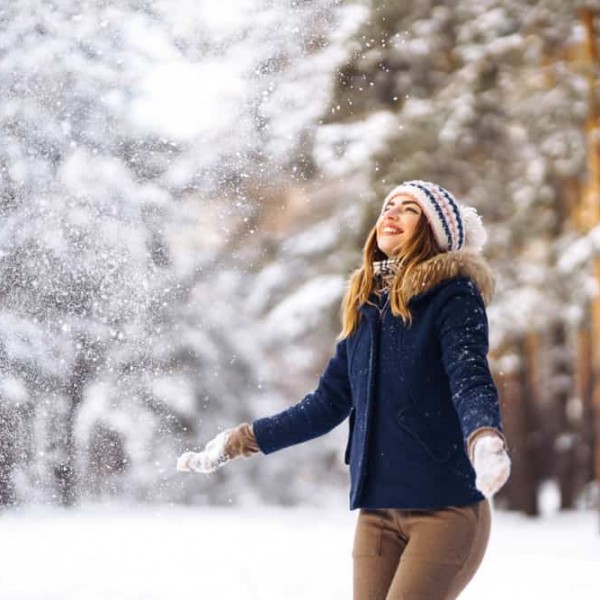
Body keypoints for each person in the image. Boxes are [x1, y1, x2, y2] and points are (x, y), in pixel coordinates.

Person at [177, 180, 511, 600]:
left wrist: (484, 437)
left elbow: (469, 376)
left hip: (445, 509)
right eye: (388, 205)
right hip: (377, 511)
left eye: (409, 208)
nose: (390, 213)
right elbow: (325, 405)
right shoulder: (367, 307)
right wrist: (240, 440)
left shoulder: (453, 297)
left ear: (434, 230)